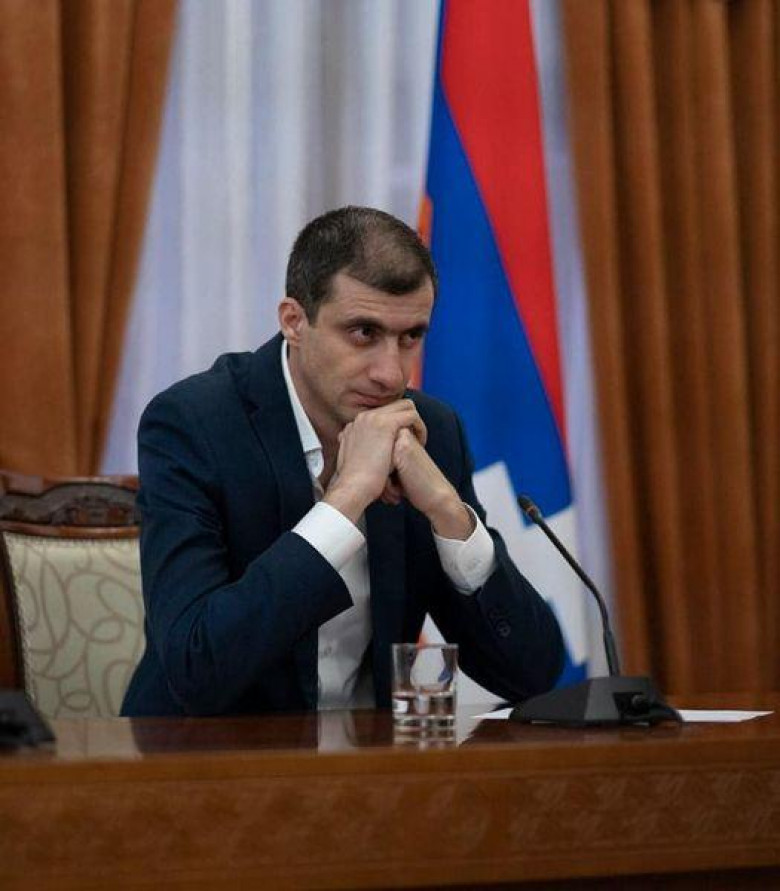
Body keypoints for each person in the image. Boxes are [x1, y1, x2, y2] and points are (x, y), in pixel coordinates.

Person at [121, 206, 564, 717]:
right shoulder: (195, 425)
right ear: (294, 322)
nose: (391, 374)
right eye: (363, 333)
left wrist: (449, 513)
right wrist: (346, 500)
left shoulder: (431, 433)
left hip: (366, 760)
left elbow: (531, 675)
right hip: (206, 756)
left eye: (410, 337)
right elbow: (196, 669)